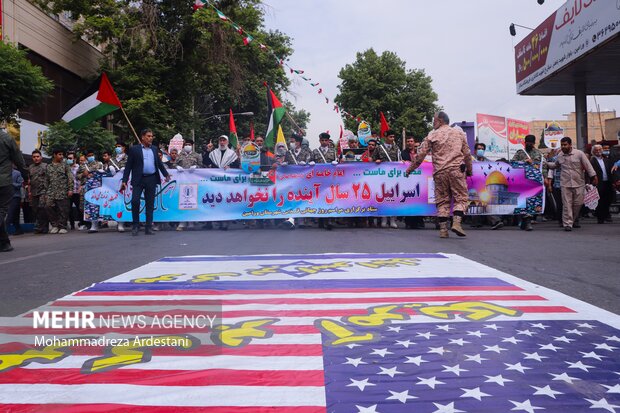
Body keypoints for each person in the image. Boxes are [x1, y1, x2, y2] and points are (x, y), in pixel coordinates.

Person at [405, 111, 472, 238]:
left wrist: (410, 169)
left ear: (440, 121)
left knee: (442, 201)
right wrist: (469, 170)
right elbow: (467, 154)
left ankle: (443, 230)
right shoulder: (459, 133)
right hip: (456, 170)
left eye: (434, 120)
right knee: (461, 197)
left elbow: (420, 155)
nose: (433, 123)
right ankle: (457, 223)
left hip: (440, 172)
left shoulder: (432, 135)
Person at [120, 128, 171, 236]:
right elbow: (128, 166)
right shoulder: (134, 149)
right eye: (148, 136)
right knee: (135, 201)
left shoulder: (154, 149)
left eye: (151, 136)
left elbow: (159, 164)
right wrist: (124, 180)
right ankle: (135, 225)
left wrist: (166, 174)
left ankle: (148, 227)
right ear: (142, 137)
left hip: (151, 179)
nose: (150, 138)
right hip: (138, 179)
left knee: (150, 204)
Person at [545, 137, 597, 231]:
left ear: (570, 145)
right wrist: (546, 163)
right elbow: (555, 165)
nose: (563, 146)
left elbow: (588, 165)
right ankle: (567, 224)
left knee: (578, 203)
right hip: (565, 183)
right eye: (562, 145)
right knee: (567, 204)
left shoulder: (579, 154)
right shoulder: (560, 155)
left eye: (565, 144)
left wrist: (593, 176)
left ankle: (571, 219)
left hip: (579, 183)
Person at [0, 130, 28, 252]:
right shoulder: (7, 138)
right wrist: (26, 175)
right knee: (1, 211)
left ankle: (5, 243)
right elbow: (19, 159)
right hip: (4, 181)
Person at [511, 134, 544, 231]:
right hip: (522, 181)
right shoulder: (520, 153)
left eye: (531, 143)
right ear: (525, 143)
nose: (529, 145)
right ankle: (524, 221)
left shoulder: (539, 154)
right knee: (522, 201)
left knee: (531, 201)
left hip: (534, 182)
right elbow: (513, 163)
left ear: (534, 143)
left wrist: (533, 162)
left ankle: (528, 221)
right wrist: (523, 161)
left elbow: (543, 166)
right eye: (527, 143)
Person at [208, 135, 239, 231]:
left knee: (226, 200)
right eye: (220, 140)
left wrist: (230, 166)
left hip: (226, 182)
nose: (222, 142)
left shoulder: (232, 154)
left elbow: (237, 165)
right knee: (214, 201)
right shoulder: (213, 153)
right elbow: (205, 161)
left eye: (224, 140)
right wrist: (208, 151)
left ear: (227, 142)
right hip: (215, 181)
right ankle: (214, 221)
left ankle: (225, 222)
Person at [470, 143, 503, 230]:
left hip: (484, 187)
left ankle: (495, 221)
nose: (480, 150)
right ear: (475, 150)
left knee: (485, 202)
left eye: (482, 149)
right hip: (472, 185)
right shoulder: (471, 160)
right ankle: (476, 222)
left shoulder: (488, 162)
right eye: (478, 148)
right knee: (474, 202)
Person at [372, 130, 401, 229]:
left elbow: (399, 160)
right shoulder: (379, 148)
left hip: (394, 176)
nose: (392, 139)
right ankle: (384, 219)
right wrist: (376, 161)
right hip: (382, 177)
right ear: (386, 137)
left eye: (393, 137)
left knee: (394, 198)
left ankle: (393, 220)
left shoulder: (397, 148)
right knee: (383, 198)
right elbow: (372, 160)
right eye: (390, 137)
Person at [312, 132, 338, 230]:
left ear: (328, 141)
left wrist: (337, 163)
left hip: (331, 179)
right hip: (318, 180)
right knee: (320, 200)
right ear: (319, 141)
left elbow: (338, 163)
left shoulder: (333, 151)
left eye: (325, 140)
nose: (324, 142)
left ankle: (329, 220)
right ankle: (321, 221)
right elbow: (309, 162)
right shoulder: (315, 151)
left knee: (330, 199)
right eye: (322, 140)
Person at [45, 149, 73, 234]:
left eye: (62, 155)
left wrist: (70, 189)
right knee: (48, 207)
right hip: (51, 191)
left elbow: (70, 178)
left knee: (63, 209)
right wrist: (46, 191)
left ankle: (62, 226)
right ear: (54, 155)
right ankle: (55, 225)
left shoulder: (65, 165)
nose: (61, 156)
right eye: (59, 154)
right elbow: (46, 179)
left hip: (62, 191)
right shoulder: (49, 166)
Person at [78, 149, 104, 233]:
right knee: (87, 207)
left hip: (97, 188)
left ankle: (98, 223)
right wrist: (83, 174)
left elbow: (102, 173)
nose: (90, 157)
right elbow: (77, 176)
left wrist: (93, 172)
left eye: (92, 155)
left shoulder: (99, 164)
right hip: (87, 188)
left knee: (97, 206)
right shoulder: (83, 166)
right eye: (88, 156)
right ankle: (91, 224)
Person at [590, 144, 613, 224]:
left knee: (608, 199)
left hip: (607, 182)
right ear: (593, 151)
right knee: (600, 200)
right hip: (598, 183)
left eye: (600, 149)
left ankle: (607, 214)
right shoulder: (592, 160)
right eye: (596, 150)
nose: (598, 151)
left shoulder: (606, 159)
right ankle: (600, 217)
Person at [27, 149, 49, 234]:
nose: (36, 158)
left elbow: (49, 179)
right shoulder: (30, 167)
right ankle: (39, 226)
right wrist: (29, 192)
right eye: (34, 157)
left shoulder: (45, 166)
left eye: (37, 156)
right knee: (35, 209)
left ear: (41, 157)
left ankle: (44, 227)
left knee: (42, 208)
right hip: (34, 191)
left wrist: (48, 192)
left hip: (43, 191)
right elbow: (29, 180)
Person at [65, 152, 83, 230]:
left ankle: (82, 224)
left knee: (80, 209)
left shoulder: (79, 167)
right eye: (68, 158)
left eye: (70, 158)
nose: (69, 160)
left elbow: (83, 179)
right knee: (69, 209)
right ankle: (72, 225)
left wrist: (81, 187)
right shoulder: (65, 168)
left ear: (75, 159)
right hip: (69, 192)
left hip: (77, 191)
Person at [6, 166, 24, 235]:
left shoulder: (17, 173)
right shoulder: (2, 173)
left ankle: (3, 231)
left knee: (10, 213)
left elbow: (20, 184)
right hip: (6, 197)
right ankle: (18, 230)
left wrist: (11, 183)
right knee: (15, 214)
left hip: (15, 196)